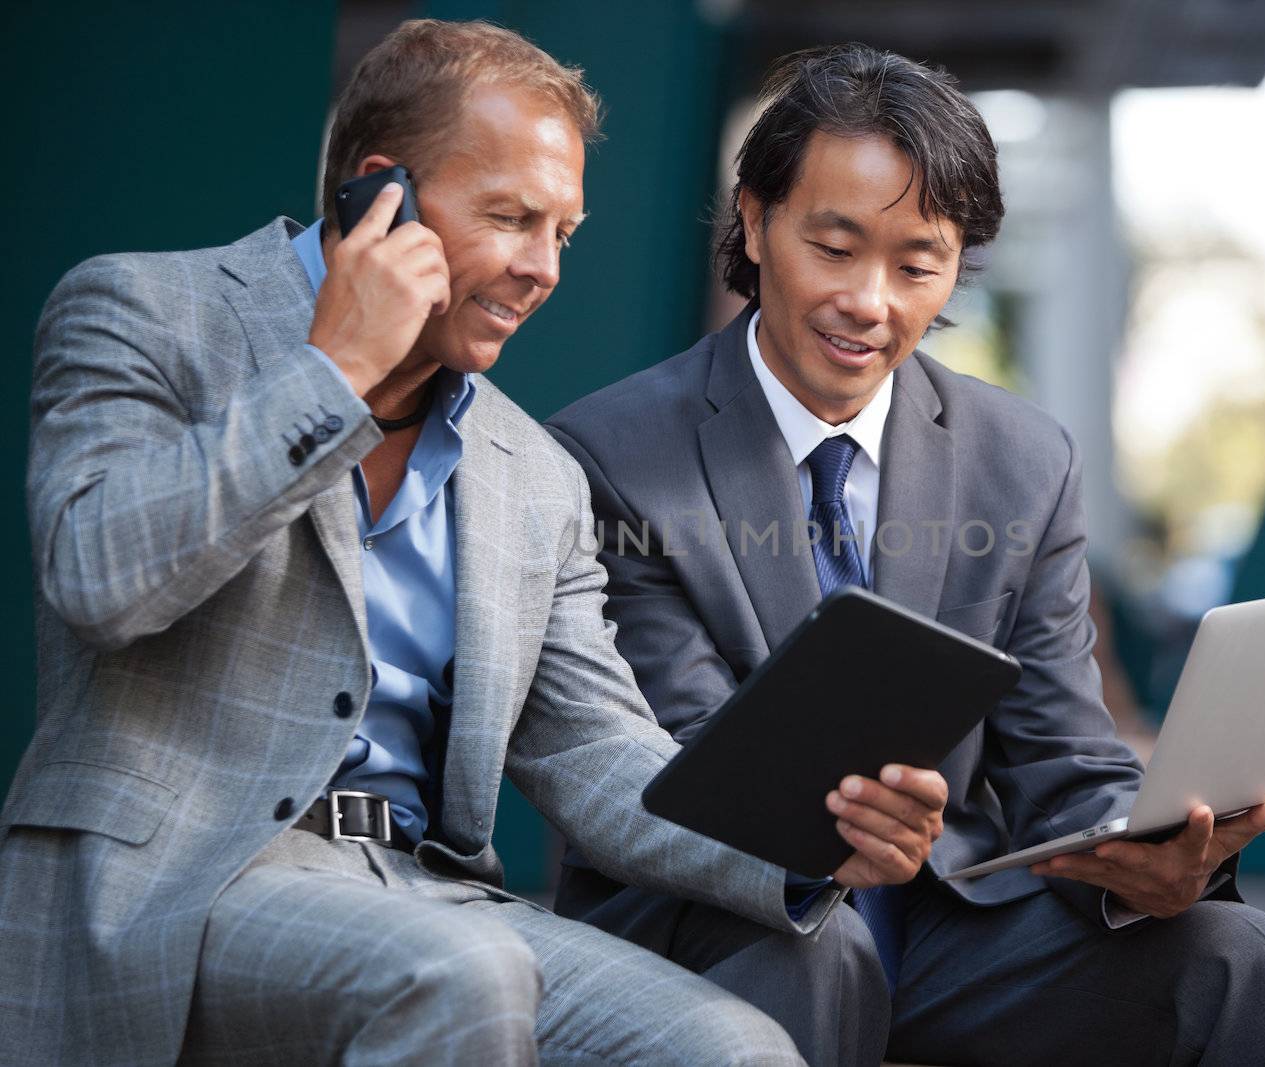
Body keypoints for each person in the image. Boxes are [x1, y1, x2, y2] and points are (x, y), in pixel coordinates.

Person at [0, 22, 945, 1066]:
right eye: (511, 218)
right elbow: (100, 578)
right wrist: (334, 371)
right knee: (460, 971)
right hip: (178, 879)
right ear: (378, 194)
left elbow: (596, 754)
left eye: (564, 234)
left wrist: (812, 835)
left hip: (424, 886)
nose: (542, 269)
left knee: (731, 1045)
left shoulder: (531, 470)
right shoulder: (147, 312)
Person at [548, 43, 1265, 1066]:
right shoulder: (613, 454)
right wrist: (845, 828)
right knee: (812, 954)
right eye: (833, 248)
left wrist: (1148, 843)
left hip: (947, 924)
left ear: (959, 263)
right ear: (752, 220)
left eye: (916, 264)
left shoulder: (1022, 460)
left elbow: (1063, 753)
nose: (869, 301)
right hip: (715, 919)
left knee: (1246, 957)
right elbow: (687, 767)